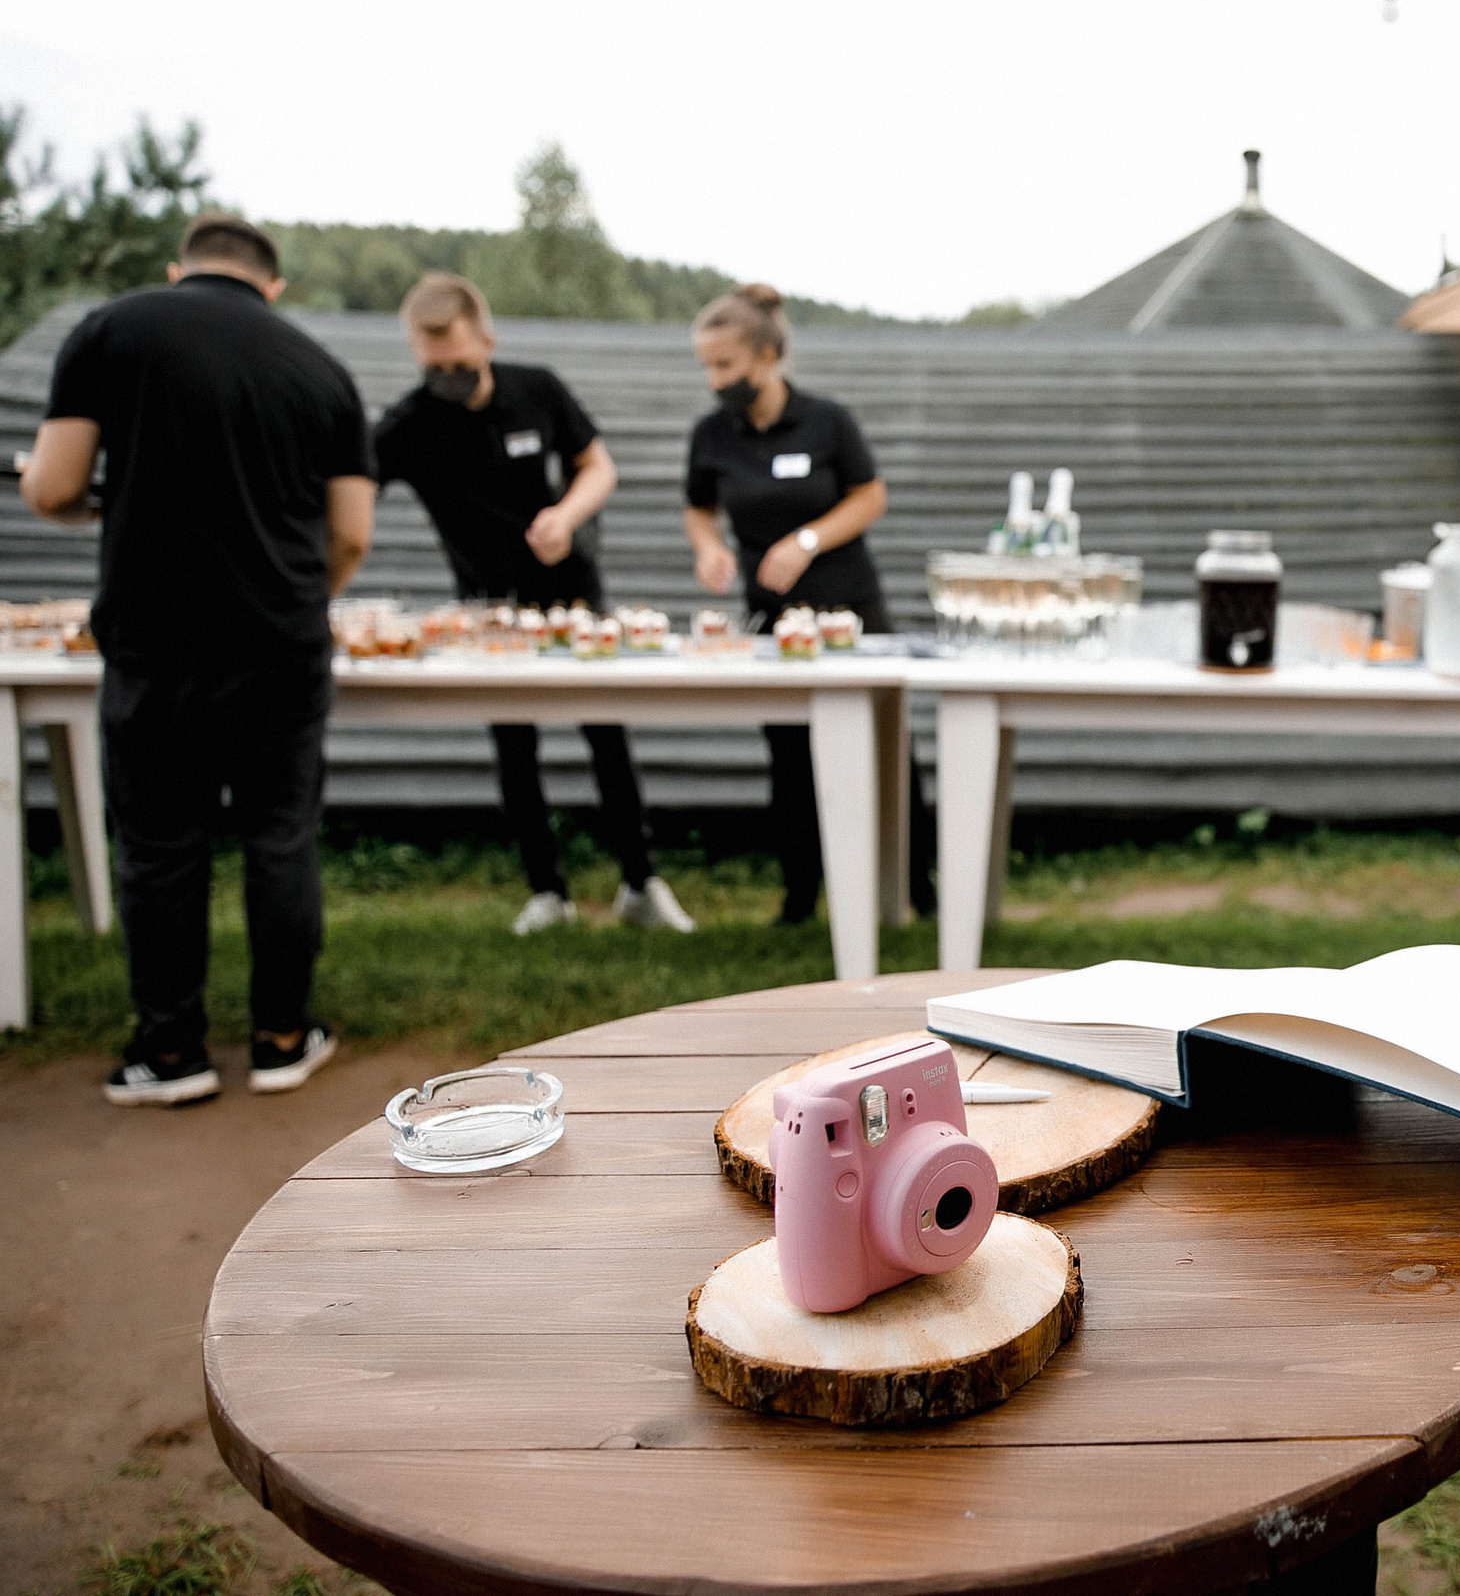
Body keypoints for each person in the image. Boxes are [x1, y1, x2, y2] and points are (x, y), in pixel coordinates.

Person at [23, 214, 375, 1105]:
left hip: (155, 638)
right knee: (279, 835)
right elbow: (350, 534)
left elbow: (57, 487)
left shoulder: (111, 331)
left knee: (158, 842)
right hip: (281, 638)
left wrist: (88, 498)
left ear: (178, 268)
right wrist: (302, 594)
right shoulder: (321, 369)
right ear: (274, 284)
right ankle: (282, 1038)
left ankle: (169, 1053)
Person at [372, 272, 694, 936]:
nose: (450, 377)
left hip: (571, 592)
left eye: (461, 364)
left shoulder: (536, 388)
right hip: (488, 610)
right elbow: (349, 496)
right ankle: (548, 892)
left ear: (486, 340)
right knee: (513, 746)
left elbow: (598, 467)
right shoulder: (405, 425)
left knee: (606, 734)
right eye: (435, 368)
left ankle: (640, 882)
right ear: (414, 355)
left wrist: (565, 515)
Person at [683, 284, 889, 925]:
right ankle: (800, 893)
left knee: (884, 750)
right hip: (773, 621)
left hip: (850, 614)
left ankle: (911, 887)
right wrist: (708, 548)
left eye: (726, 366)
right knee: (791, 757)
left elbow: (869, 497)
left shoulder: (828, 420)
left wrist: (806, 540)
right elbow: (699, 509)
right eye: (708, 368)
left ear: (768, 356)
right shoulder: (712, 434)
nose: (716, 381)